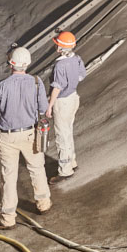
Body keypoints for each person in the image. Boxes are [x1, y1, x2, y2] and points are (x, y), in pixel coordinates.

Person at [0, 46, 53, 227]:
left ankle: (8, 219)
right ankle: (43, 204)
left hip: (8, 138)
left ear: (10, 63)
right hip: (30, 134)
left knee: (9, 177)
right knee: (37, 169)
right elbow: (43, 109)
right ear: (27, 63)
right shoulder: (36, 82)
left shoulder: (1, 87)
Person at [45, 30, 88, 178]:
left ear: (59, 48)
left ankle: (65, 171)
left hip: (62, 102)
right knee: (68, 132)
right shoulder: (77, 59)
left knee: (62, 137)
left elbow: (57, 87)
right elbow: (82, 76)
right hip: (73, 97)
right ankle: (72, 162)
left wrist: (49, 106)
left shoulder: (60, 65)